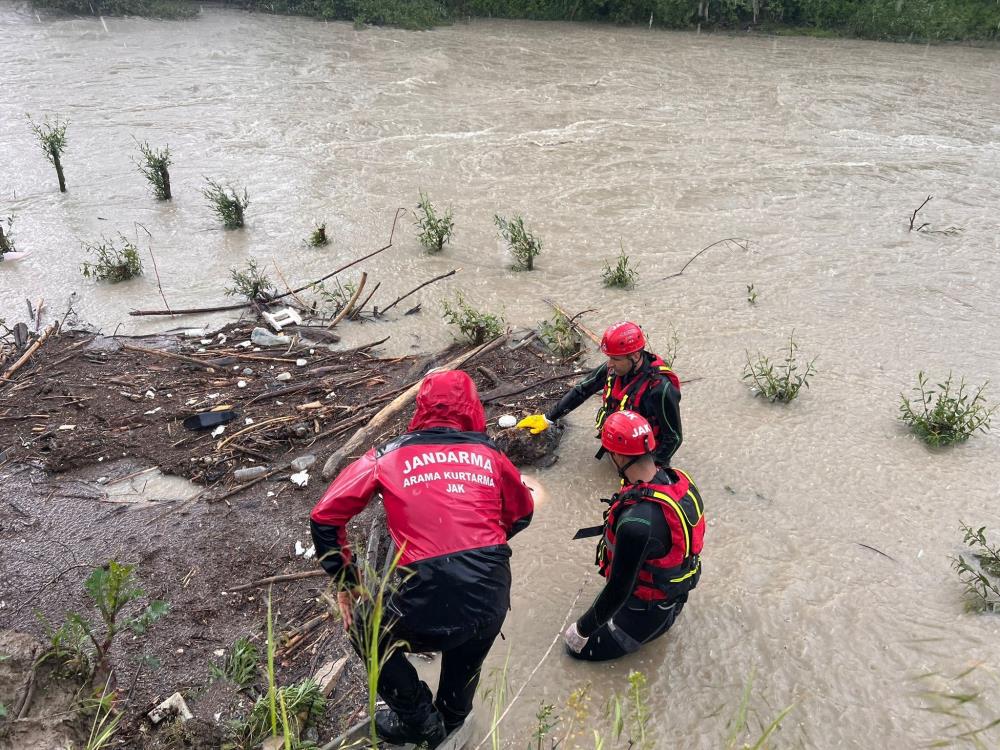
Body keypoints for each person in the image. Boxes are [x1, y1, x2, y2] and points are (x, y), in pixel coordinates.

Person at [310, 369, 534, 748]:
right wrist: (482, 547)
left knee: (365, 629)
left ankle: (418, 719)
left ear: (422, 408)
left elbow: (325, 516)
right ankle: (450, 724)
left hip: (425, 592)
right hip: (490, 589)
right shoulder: (491, 454)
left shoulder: (387, 455)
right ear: (472, 407)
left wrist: (348, 585)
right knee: (467, 655)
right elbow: (523, 513)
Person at [563, 410, 703, 661]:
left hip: (646, 617)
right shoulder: (678, 479)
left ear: (617, 456)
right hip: (672, 600)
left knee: (575, 651)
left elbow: (618, 590)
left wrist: (582, 630)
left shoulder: (637, 522)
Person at [516, 321, 682, 466]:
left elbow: (673, 438)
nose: (609, 364)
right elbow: (582, 390)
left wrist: (650, 471)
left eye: (616, 359)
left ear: (635, 355)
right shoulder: (615, 368)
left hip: (645, 457)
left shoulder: (660, 389)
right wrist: (548, 418)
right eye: (609, 357)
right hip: (620, 449)